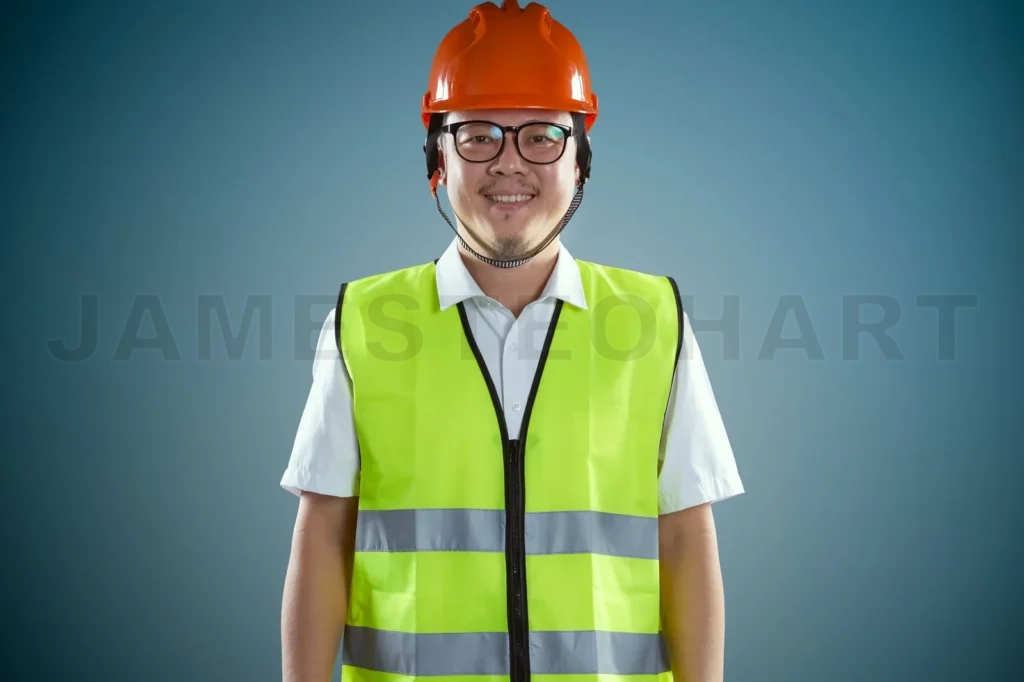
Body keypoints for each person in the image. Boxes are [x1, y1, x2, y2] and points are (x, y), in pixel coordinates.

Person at [279, 1, 744, 681]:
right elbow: (323, 535)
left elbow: (684, 536)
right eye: (477, 135)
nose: (509, 162)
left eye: (541, 135)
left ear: (580, 160)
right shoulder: (365, 321)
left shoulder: (654, 320)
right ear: (437, 158)